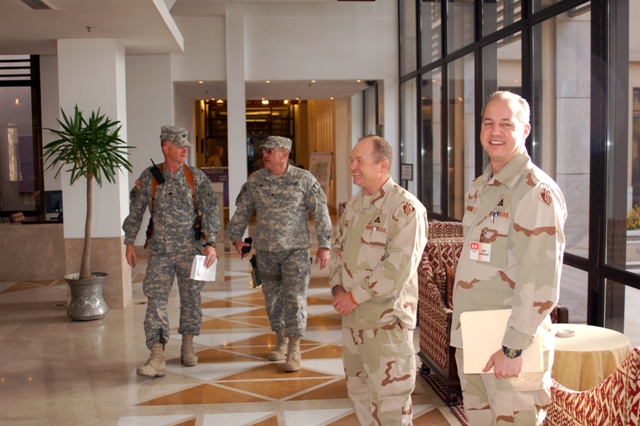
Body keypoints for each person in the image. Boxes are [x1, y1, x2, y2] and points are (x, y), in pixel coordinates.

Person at [450, 91, 567, 424]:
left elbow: (542, 279)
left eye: (506, 123)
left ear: (525, 130)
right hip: (475, 334)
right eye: (488, 123)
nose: (494, 131)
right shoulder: (482, 187)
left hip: (510, 344)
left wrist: (513, 348)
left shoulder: (534, 191)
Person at [330, 135, 428, 425]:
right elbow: (339, 250)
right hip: (353, 320)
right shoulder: (354, 206)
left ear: (382, 165)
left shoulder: (405, 209)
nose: (352, 167)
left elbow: (398, 269)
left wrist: (352, 297)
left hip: (386, 324)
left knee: (390, 403)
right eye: (351, 160)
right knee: (358, 393)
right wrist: (337, 288)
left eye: (360, 160)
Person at [227, 135, 332, 372]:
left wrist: (324, 245)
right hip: (265, 252)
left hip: (295, 251)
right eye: (264, 150)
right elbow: (242, 210)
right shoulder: (255, 181)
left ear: (284, 155)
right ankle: (281, 340)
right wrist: (235, 238)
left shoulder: (304, 180)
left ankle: (294, 347)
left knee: (294, 297)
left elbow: (321, 212)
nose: (264, 154)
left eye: (270, 151)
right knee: (272, 299)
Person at [123, 125, 220, 378]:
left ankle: (188, 344)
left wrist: (211, 242)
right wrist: (129, 241)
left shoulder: (196, 177)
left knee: (191, 300)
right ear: (166, 148)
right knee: (155, 301)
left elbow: (210, 210)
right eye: (179, 146)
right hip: (160, 252)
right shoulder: (149, 177)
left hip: (192, 251)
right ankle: (157, 354)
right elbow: (136, 211)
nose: (185, 149)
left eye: (186, 145)